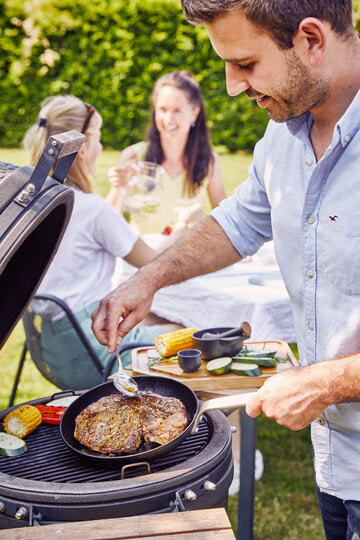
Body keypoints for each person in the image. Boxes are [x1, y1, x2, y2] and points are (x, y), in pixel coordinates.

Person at [91, 1, 360, 536]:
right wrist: (148, 279)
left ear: (311, 39)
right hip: (340, 458)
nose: (234, 87)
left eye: (245, 64)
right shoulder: (282, 137)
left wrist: (325, 382)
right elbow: (236, 223)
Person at [23, 95, 180, 390]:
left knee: (154, 317)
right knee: (189, 331)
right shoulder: (93, 210)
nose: (101, 147)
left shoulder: (33, 202)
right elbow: (156, 264)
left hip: (52, 351)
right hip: (94, 353)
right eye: (98, 137)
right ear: (81, 149)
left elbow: (97, 226)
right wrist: (183, 231)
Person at [107, 70, 226, 234]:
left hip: (183, 255)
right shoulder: (134, 156)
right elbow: (107, 222)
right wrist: (118, 187)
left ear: (194, 113)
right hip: (140, 255)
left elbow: (224, 221)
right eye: (162, 109)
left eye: (177, 110)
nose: (168, 119)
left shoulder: (209, 161)